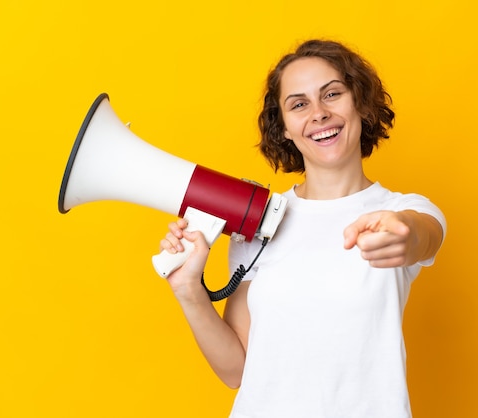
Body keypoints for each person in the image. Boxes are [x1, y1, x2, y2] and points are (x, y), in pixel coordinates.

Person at [159, 39, 446, 418]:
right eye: (299, 104)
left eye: (332, 94)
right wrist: (188, 290)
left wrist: (404, 233)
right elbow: (235, 371)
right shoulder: (260, 222)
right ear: (285, 130)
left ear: (360, 103)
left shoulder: (402, 211)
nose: (319, 113)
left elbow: (422, 236)